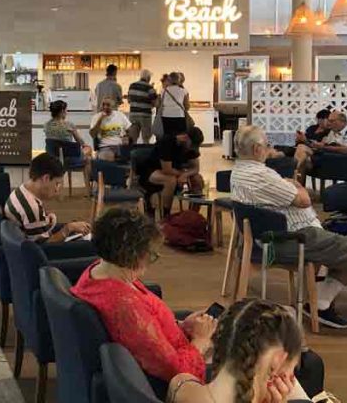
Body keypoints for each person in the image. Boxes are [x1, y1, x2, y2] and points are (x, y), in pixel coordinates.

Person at [231, 125, 347, 345]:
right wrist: (296, 186)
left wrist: (292, 185)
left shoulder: (240, 171)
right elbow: (304, 199)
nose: (269, 148)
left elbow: (291, 190)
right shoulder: (259, 175)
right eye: (267, 145)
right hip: (293, 239)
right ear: (257, 148)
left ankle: (320, 303)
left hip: (279, 238)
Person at [72, 207, 215, 383]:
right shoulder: (125, 306)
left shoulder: (100, 270)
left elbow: (145, 335)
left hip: (174, 346)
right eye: (149, 256)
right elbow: (175, 370)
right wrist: (200, 341)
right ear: (132, 256)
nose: (149, 262)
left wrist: (182, 326)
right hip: (174, 381)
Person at [169, 299, 312, 403]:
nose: (291, 381)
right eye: (292, 371)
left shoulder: (180, 386)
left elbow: (180, 381)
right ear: (277, 359)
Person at [4, 153, 94, 257]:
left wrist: (50, 222)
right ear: (46, 178)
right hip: (37, 258)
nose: (57, 189)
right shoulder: (31, 208)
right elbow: (44, 248)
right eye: (56, 183)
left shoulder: (20, 191)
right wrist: (68, 228)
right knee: (89, 247)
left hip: (23, 248)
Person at [136, 126, 204, 216]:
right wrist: (183, 174)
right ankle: (166, 214)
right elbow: (167, 170)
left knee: (197, 179)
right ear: (185, 138)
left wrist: (185, 175)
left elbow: (196, 168)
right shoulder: (167, 142)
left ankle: (193, 214)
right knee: (170, 180)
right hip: (151, 170)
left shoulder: (190, 147)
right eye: (191, 145)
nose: (191, 149)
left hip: (174, 171)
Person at [293, 111, 347, 182]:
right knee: (301, 148)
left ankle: (296, 184)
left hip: (338, 161)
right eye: (329, 121)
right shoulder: (333, 131)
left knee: (302, 160)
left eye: (331, 121)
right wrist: (311, 143)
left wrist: (323, 147)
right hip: (325, 156)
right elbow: (325, 144)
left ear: (342, 121)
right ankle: (298, 184)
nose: (329, 124)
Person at [127, 69, 158, 144]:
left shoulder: (132, 86)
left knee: (133, 138)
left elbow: (129, 100)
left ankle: (132, 154)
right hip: (145, 116)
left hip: (133, 115)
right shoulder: (150, 88)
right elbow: (155, 103)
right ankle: (145, 154)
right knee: (146, 138)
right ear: (148, 77)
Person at [160, 71, 190, 136]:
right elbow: (187, 107)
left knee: (168, 136)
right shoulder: (184, 91)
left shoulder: (163, 91)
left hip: (166, 116)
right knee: (180, 136)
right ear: (179, 80)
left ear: (169, 80)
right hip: (179, 116)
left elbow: (160, 104)